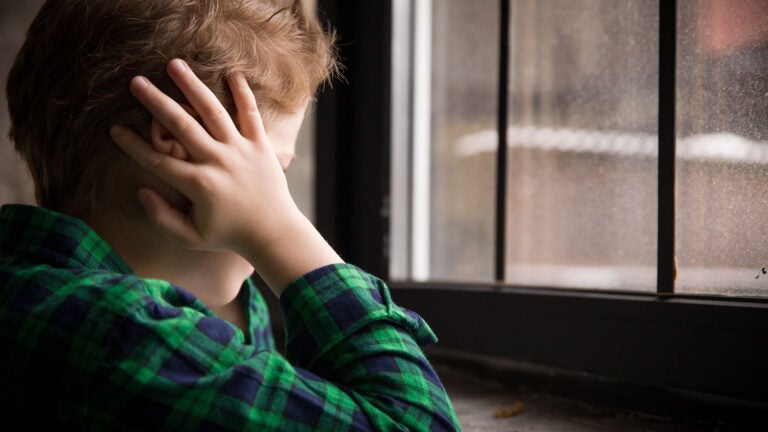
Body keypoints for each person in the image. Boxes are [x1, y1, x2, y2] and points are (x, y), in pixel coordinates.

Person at [0, 0, 461, 430]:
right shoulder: (120, 332)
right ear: (182, 150)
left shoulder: (43, 290)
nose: (277, 201)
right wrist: (278, 233)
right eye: (272, 174)